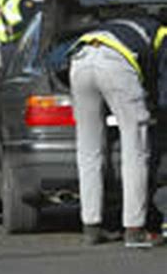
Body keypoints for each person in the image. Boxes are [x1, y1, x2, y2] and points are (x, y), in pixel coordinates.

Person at [69, 14, 167, 248]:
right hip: (115, 65)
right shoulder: (163, 35)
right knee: (135, 148)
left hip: (80, 59)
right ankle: (134, 229)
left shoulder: (116, 26)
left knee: (88, 149)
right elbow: (164, 86)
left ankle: (91, 227)